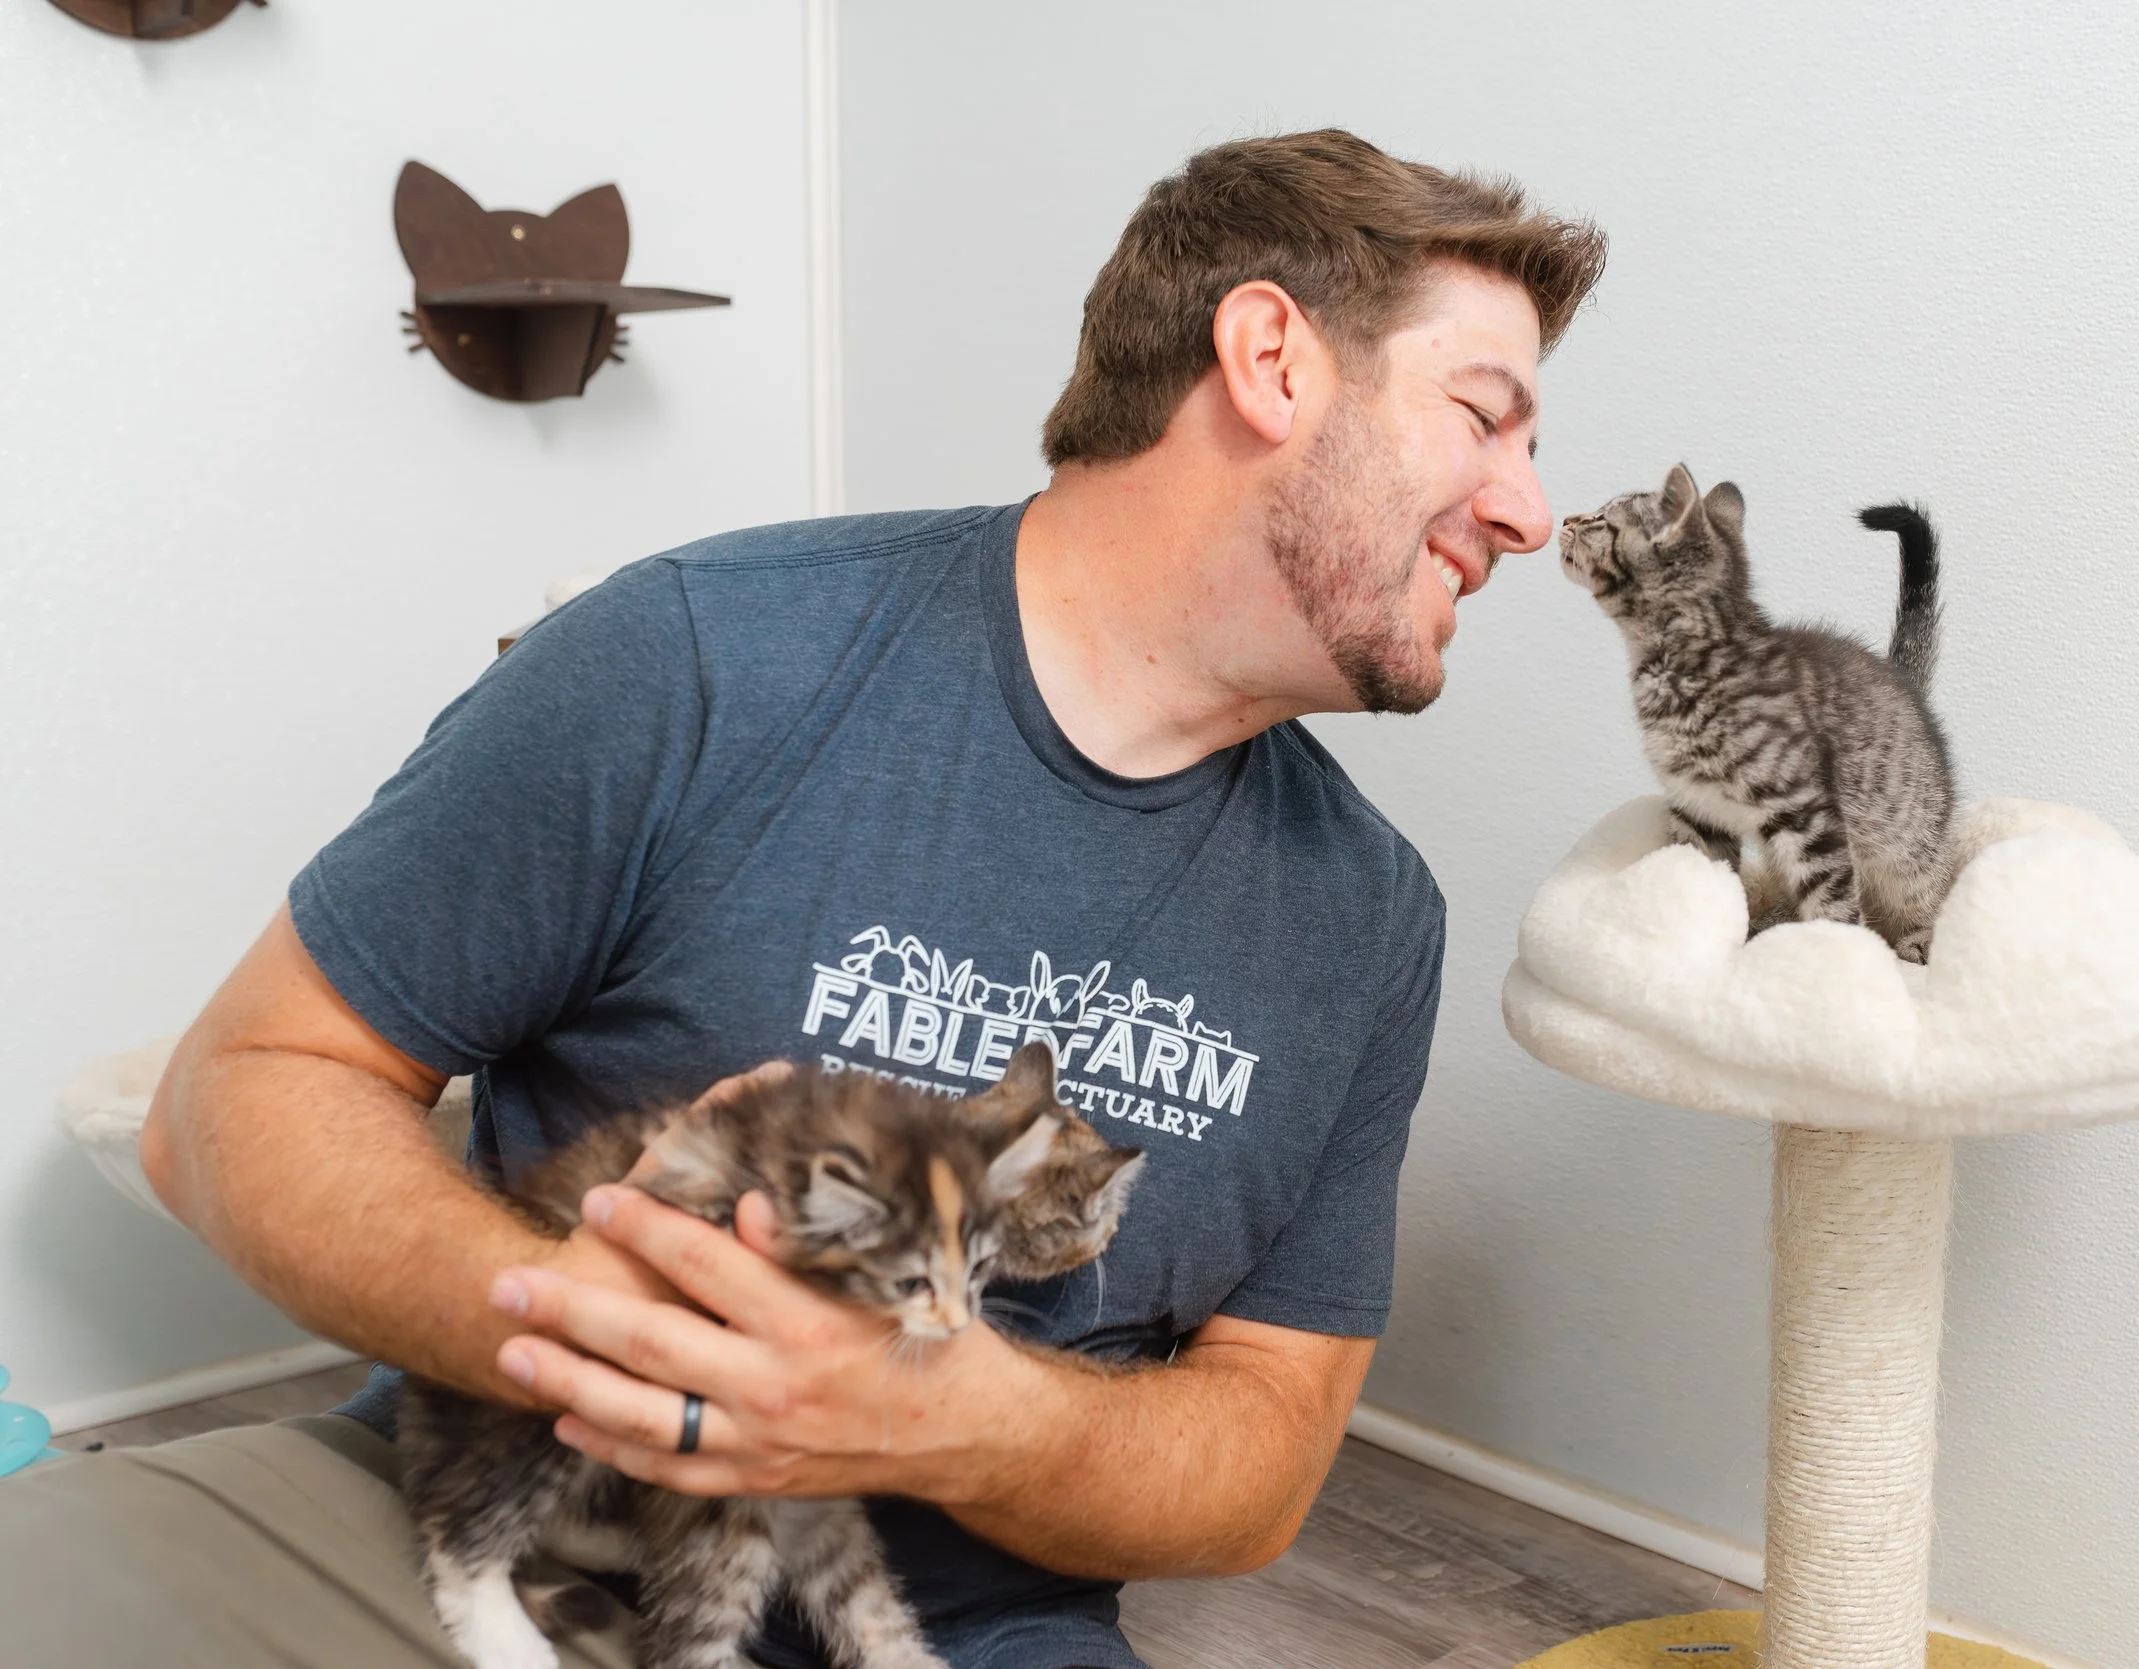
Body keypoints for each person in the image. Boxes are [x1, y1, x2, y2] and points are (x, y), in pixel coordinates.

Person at [3, 129, 1605, 1669]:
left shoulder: (1370, 921)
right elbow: (236, 1091)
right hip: (483, 1543)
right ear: (1270, 360)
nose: (1529, 512)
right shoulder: (698, 660)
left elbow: (1263, 1456)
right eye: (1485, 417)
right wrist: (590, 1327)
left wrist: (938, 1410)